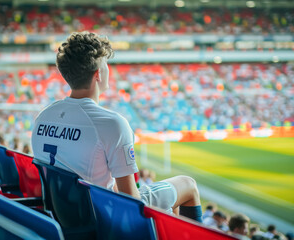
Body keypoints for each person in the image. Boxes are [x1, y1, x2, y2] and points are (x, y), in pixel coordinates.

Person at [31, 32, 202, 222]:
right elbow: (130, 200)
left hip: (65, 215)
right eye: (106, 65)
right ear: (98, 74)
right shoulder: (111, 123)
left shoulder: (43, 117)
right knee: (188, 184)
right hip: (104, 218)